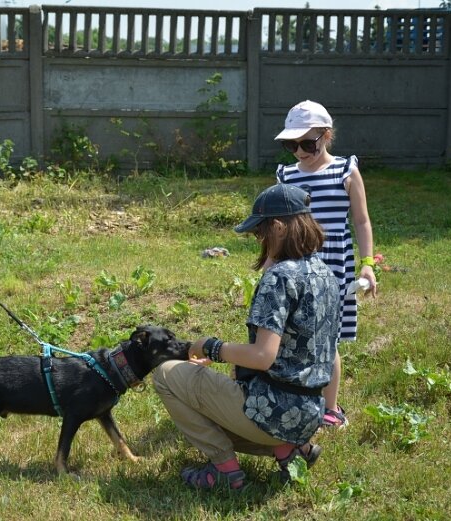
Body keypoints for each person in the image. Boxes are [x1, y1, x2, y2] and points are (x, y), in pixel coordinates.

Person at [153, 184, 340, 490]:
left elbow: (262, 356)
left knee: (165, 375)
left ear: (277, 228)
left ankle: (224, 471)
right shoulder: (326, 274)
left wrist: (211, 347)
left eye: (259, 233)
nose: (259, 241)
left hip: (273, 414)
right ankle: (290, 451)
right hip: (309, 415)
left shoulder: (280, 278)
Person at [273, 100, 378, 428]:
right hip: (297, 273)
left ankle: (329, 409)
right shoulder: (286, 175)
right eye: (293, 145)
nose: (300, 152)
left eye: (308, 143)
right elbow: (280, 226)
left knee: (326, 341)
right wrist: (272, 266)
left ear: (326, 136)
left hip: (334, 273)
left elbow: (361, 221)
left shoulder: (345, 170)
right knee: (295, 338)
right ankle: (298, 396)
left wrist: (367, 263)